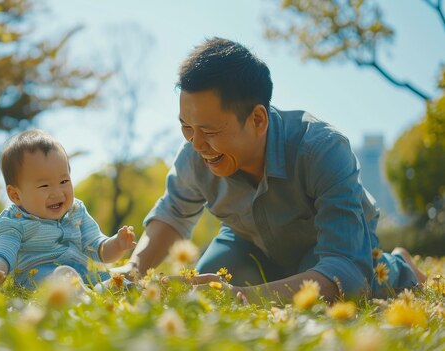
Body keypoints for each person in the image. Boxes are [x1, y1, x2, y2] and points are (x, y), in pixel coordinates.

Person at [117, 37, 425, 302]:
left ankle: (400, 267)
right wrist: (132, 270)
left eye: (209, 131)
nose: (197, 144)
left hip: (325, 248)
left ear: (258, 120)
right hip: (250, 242)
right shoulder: (195, 155)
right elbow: (172, 215)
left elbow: (345, 269)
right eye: (186, 127)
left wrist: (243, 297)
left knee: (337, 285)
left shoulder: (323, 150)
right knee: (208, 284)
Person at [0, 129, 137, 289]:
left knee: (110, 277)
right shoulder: (14, 221)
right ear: (15, 195)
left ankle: (113, 289)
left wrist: (117, 244)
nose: (57, 192)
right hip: (39, 275)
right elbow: (2, 250)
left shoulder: (76, 211)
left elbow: (97, 246)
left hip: (80, 272)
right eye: (44, 185)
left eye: (64, 181)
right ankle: (87, 294)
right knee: (59, 282)